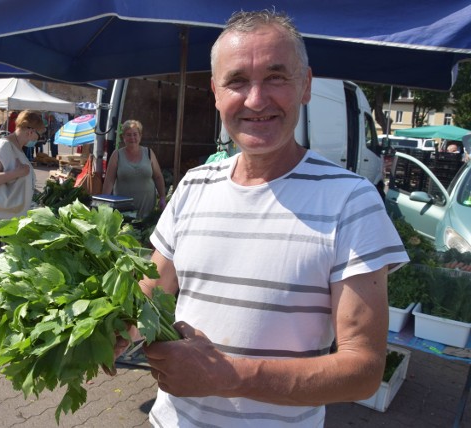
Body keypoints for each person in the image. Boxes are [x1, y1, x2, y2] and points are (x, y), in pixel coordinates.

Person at [122, 10, 410, 427]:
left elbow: (362, 371)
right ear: (216, 92)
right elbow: (152, 290)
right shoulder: (193, 186)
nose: (256, 100)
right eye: (237, 81)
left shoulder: (352, 201)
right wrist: (111, 327)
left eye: (276, 77)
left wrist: (228, 375)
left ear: (306, 85)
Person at [0, 110, 44, 276]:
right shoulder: (4, 145)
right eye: (38, 134)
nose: (37, 139)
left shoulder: (16, 148)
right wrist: (18, 173)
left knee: (6, 271)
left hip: (7, 216)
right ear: (30, 131)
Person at [101, 120, 166, 219]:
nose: (132, 138)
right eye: (128, 135)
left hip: (148, 210)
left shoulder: (148, 153)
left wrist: (162, 197)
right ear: (123, 137)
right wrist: (103, 205)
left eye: (135, 134)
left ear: (140, 136)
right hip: (123, 211)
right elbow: (109, 181)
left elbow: (158, 176)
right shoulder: (117, 155)